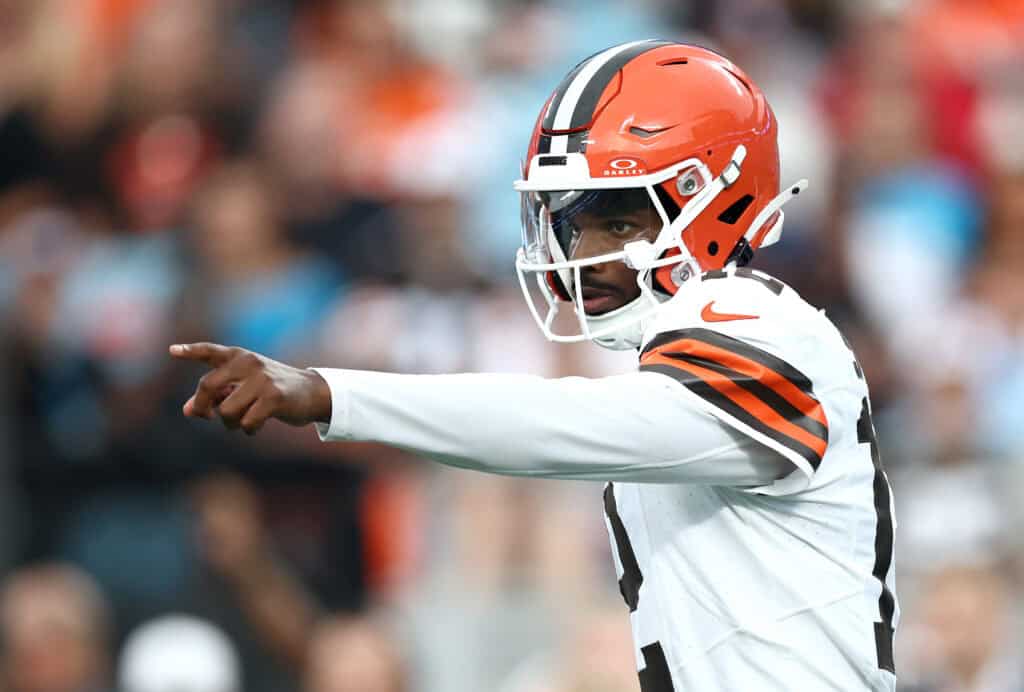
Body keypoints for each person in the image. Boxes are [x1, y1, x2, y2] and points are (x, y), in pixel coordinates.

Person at [171, 41, 898, 691]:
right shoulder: (694, 347)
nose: (583, 256)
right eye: (573, 224)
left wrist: (332, 394)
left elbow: (562, 425)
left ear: (718, 202)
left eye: (619, 221)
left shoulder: (764, 326)